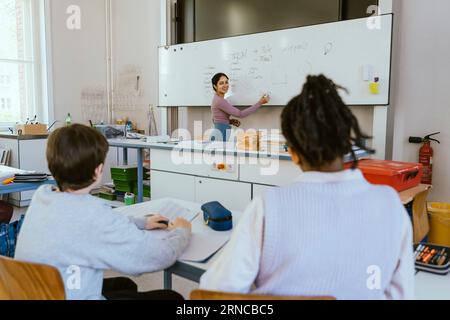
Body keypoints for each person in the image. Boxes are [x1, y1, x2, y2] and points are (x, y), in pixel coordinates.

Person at [199, 75, 415, 300]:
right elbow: (402, 294)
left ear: (291, 152)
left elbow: (214, 291)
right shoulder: (390, 204)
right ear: (347, 140)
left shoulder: (268, 206)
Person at [15, 124, 192, 300]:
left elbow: (89, 223)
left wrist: (141, 223)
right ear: (98, 170)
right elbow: (156, 256)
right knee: (171, 297)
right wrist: (181, 232)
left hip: (41, 290)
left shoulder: (43, 197)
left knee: (125, 285)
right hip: (65, 295)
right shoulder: (92, 214)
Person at [211, 73, 270, 141]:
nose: (225, 85)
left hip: (219, 135)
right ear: (215, 86)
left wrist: (229, 121)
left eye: (226, 82)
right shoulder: (219, 101)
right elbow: (240, 114)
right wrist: (260, 102)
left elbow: (214, 119)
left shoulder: (216, 99)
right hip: (219, 137)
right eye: (221, 83)